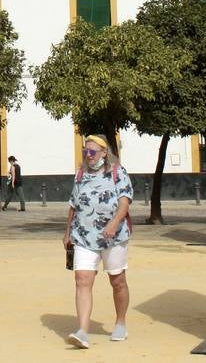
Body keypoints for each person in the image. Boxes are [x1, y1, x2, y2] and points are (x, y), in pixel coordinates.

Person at [62, 135, 133, 349]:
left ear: (104, 152)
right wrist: (67, 233)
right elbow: (74, 204)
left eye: (92, 152)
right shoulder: (81, 174)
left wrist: (114, 223)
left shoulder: (117, 172)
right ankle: (83, 331)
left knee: (117, 280)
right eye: (86, 152)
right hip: (83, 235)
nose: (88, 156)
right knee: (82, 279)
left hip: (113, 236)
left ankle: (120, 322)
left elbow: (124, 202)